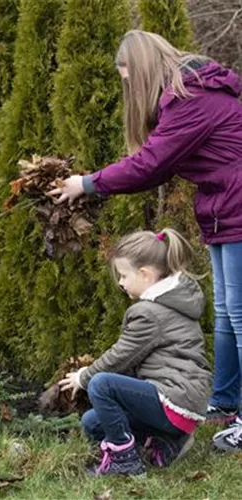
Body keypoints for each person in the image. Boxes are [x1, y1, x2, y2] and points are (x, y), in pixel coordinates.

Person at [49, 29, 242, 452]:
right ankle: (227, 404)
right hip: (223, 209)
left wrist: (87, 183)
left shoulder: (194, 98)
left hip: (238, 205)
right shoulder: (189, 95)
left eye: (127, 79)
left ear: (141, 69)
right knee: (228, 313)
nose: (128, 90)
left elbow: (150, 164)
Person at [60, 228, 211, 477]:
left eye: (123, 275)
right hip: (183, 405)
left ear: (144, 274)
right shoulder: (171, 303)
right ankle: (169, 443)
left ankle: (124, 459)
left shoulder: (150, 313)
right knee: (92, 422)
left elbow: (120, 357)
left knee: (101, 384)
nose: (120, 283)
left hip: (173, 398)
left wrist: (84, 376)